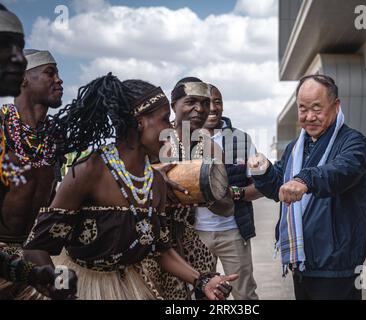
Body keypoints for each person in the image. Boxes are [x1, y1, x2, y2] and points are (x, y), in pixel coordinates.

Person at [23, 73, 237, 300]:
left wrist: (202, 280)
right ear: (139, 121)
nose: (170, 128)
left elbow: (161, 249)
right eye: (165, 119)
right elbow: (36, 249)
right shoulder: (90, 171)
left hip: (132, 288)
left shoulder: (154, 182)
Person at [248, 74, 366, 300]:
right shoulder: (296, 146)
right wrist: (263, 170)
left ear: (336, 106)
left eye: (317, 108)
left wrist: (305, 180)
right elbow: (279, 188)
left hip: (337, 263)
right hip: (303, 260)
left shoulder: (354, 142)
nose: (309, 116)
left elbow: (340, 171)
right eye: (303, 108)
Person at [0, 6, 76, 300]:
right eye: (50, 73)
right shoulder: (3, 127)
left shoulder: (56, 136)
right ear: (23, 79)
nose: (59, 80)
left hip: (36, 253)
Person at [143, 77, 233, 299]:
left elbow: (227, 207)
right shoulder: (157, 140)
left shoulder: (211, 147)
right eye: (191, 101)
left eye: (204, 103)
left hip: (193, 242)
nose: (199, 109)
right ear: (174, 105)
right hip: (154, 244)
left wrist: (206, 193)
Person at [195, 84, 262, 300]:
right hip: (195, 235)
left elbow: (259, 186)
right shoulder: (182, 140)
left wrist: (233, 193)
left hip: (233, 231)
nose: (213, 108)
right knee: (200, 296)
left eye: (218, 102)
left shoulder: (242, 140)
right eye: (207, 102)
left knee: (245, 295)